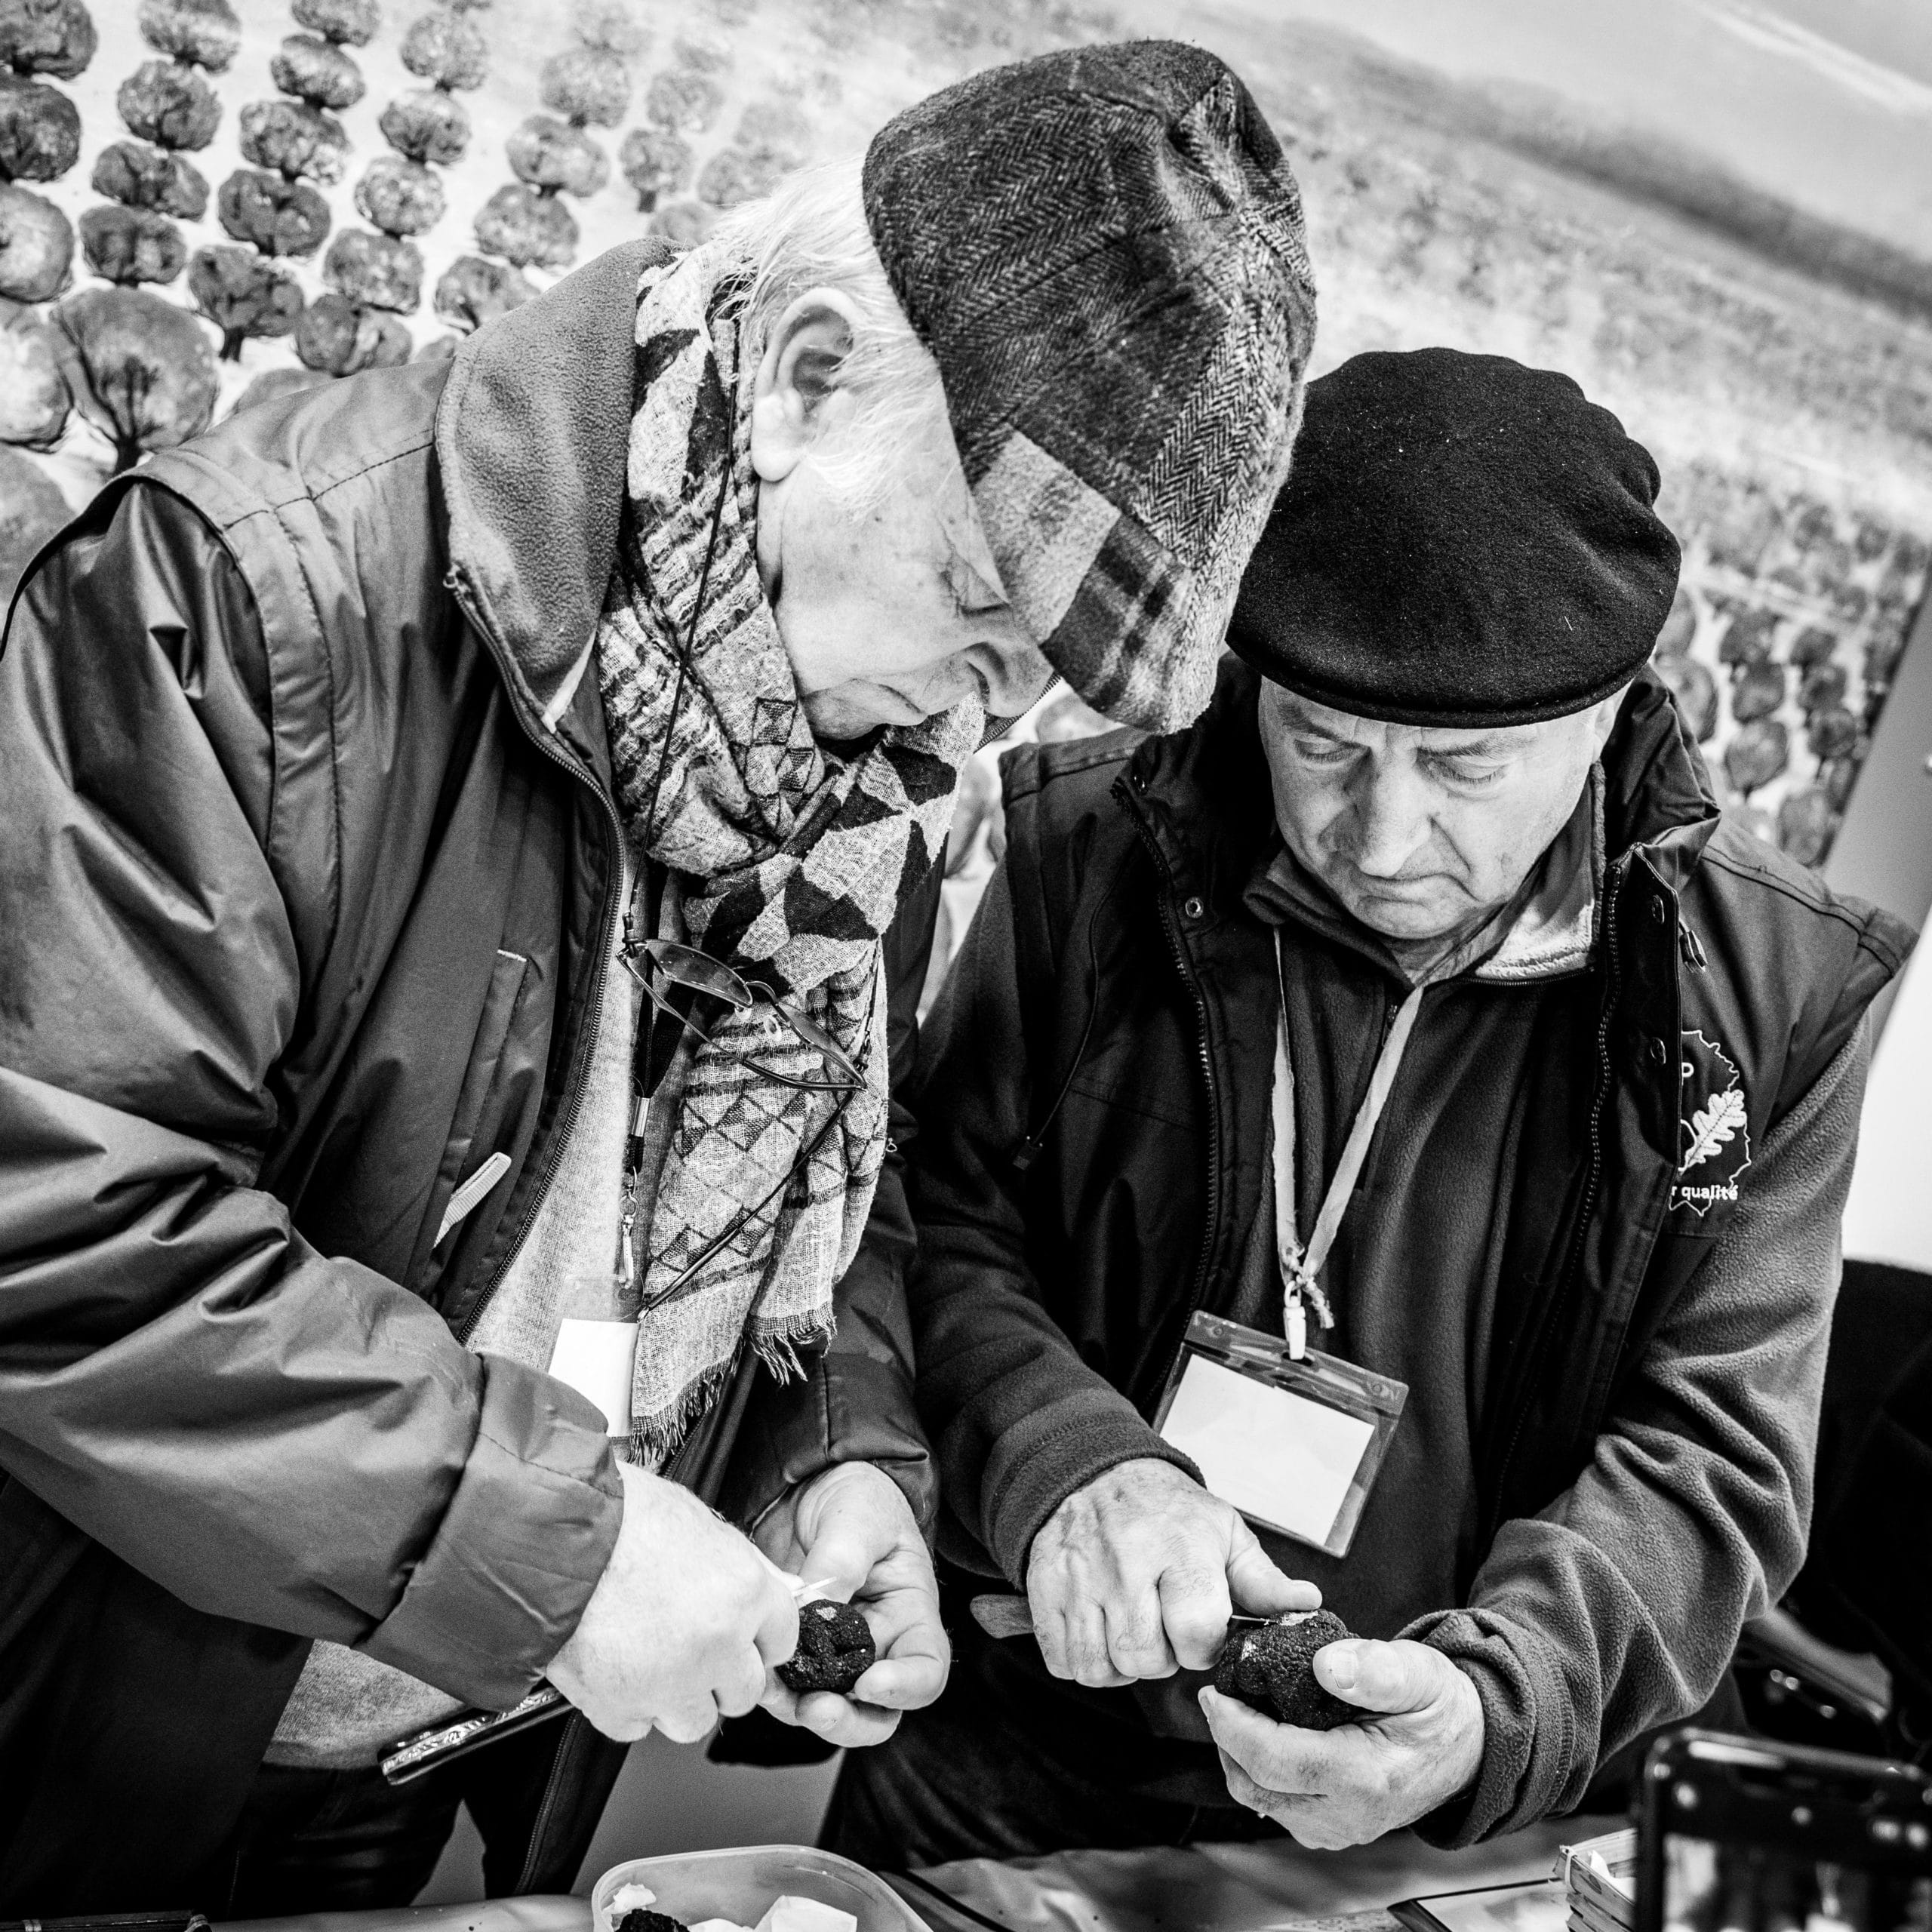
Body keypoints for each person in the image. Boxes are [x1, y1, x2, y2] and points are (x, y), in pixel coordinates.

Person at [0, 42, 1318, 1916]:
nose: (977, 720)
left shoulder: (860, 771)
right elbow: (57, 1211)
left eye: (1039, 678)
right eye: (975, 610)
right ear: (799, 386)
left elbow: (778, 1204)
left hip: (417, 1747)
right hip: (76, 1731)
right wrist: (560, 1541)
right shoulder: (254, 593)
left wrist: (826, 1455)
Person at [823, 348, 1915, 1866]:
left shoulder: (1777, 988)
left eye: (1465, 770)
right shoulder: (1078, 848)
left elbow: (1711, 1436)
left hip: (1443, 1811)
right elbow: (931, 1218)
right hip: (1018, 1754)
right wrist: (1065, 1451)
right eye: (1321, 746)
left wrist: (1494, 1697)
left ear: (1604, 715)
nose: (1380, 835)